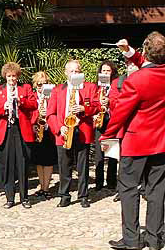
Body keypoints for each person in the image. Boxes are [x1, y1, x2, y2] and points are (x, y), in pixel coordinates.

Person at [103, 33, 165, 250]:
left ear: (145, 52)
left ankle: (132, 239)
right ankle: (154, 238)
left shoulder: (135, 80)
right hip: (161, 140)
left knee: (128, 189)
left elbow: (121, 113)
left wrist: (107, 134)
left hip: (137, 142)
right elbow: (148, 63)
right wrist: (129, 52)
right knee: (156, 191)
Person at [47, 61, 100, 208]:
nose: (75, 74)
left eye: (77, 71)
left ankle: (83, 195)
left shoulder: (89, 87)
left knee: (82, 166)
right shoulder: (57, 90)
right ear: (66, 73)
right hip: (64, 131)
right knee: (64, 165)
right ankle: (64, 195)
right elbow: (50, 114)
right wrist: (59, 128)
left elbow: (97, 106)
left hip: (82, 130)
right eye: (72, 72)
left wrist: (84, 108)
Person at [0, 63, 37, 209]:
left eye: (14, 76)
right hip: (6, 129)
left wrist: (21, 101)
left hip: (21, 129)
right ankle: (10, 197)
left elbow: (34, 104)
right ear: (5, 76)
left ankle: (25, 197)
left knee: (22, 164)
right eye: (9, 76)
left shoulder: (25, 88)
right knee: (8, 164)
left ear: (18, 76)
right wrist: (3, 108)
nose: (11, 79)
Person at [28, 71, 57, 197]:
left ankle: (46, 188)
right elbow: (29, 113)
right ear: (35, 84)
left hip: (48, 129)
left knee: (48, 160)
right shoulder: (33, 96)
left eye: (44, 84)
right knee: (39, 161)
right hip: (37, 129)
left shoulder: (51, 95)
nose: (41, 86)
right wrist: (34, 123)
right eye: (39, 84)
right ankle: (41, 185)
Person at [92, 62, 120, 192]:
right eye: (103, 70)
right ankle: (98, 182)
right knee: (99, 154)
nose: (105, 73)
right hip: (99, 122)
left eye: (108, 71)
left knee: (112, 153)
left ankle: (111, 181)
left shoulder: (116, 86)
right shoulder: (96, 87)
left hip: (112, 122)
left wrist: (109, 101)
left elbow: (120, 102)